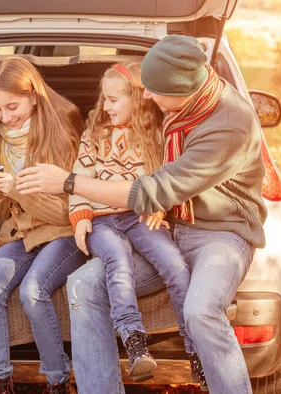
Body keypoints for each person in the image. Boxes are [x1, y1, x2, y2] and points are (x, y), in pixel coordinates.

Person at [15, 35, 267, 394]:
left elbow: (151, 191)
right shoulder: (178, 108)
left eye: (153, 90)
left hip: (219, 234)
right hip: (164, 227)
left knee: (201, 310)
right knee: (83, 285)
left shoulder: (229, 124)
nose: (145, 97)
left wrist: (70, 183)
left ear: (181, 90)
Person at [68, 62, 201, 383]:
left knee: (175, 264)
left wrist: (160, 205)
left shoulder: (155, 136)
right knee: (117, 259)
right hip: (101, 220)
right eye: (104, 100)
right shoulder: (94, 136)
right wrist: (80, 217)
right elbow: (78, 178)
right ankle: (134, 342)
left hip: (137, 215)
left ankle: (195, 348)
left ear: (136, 100)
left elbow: (166, 178)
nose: (106, 107)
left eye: (114, 100)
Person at [0, 57, 87, 394]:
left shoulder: (63, 127)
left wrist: (19, 192)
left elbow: (70, 209)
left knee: (32, 290)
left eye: (13, 107)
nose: (6, 117)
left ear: (34, 97)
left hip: (64, 231)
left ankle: (57, 381)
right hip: (22, 233)